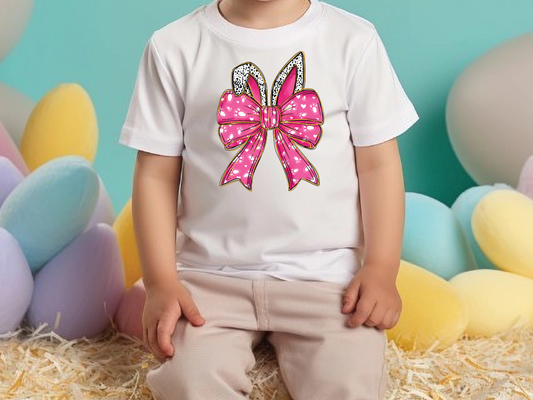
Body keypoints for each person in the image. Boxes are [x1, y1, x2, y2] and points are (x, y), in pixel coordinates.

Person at [119, 0, 419, 398]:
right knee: (189, 381)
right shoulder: (174, 46)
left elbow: (378, 165)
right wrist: (160, 281)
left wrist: (381, 268)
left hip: (326, 282)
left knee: (350, 382)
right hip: (210, 283)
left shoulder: (353, 41)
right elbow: (156, 174)